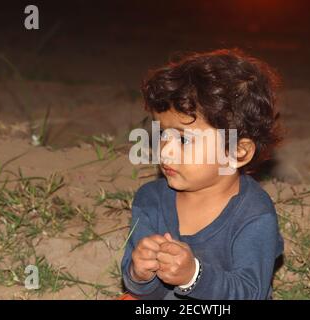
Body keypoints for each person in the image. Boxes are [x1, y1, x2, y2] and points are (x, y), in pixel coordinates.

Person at [121, 48, 284, 300]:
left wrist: (193, 276)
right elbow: (146, 293)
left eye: (184, 140)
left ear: (238, 152)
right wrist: (140, 274)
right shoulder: (150, 200)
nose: (166, 150)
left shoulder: (254, 214)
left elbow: (251, 293)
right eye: (163, 133)